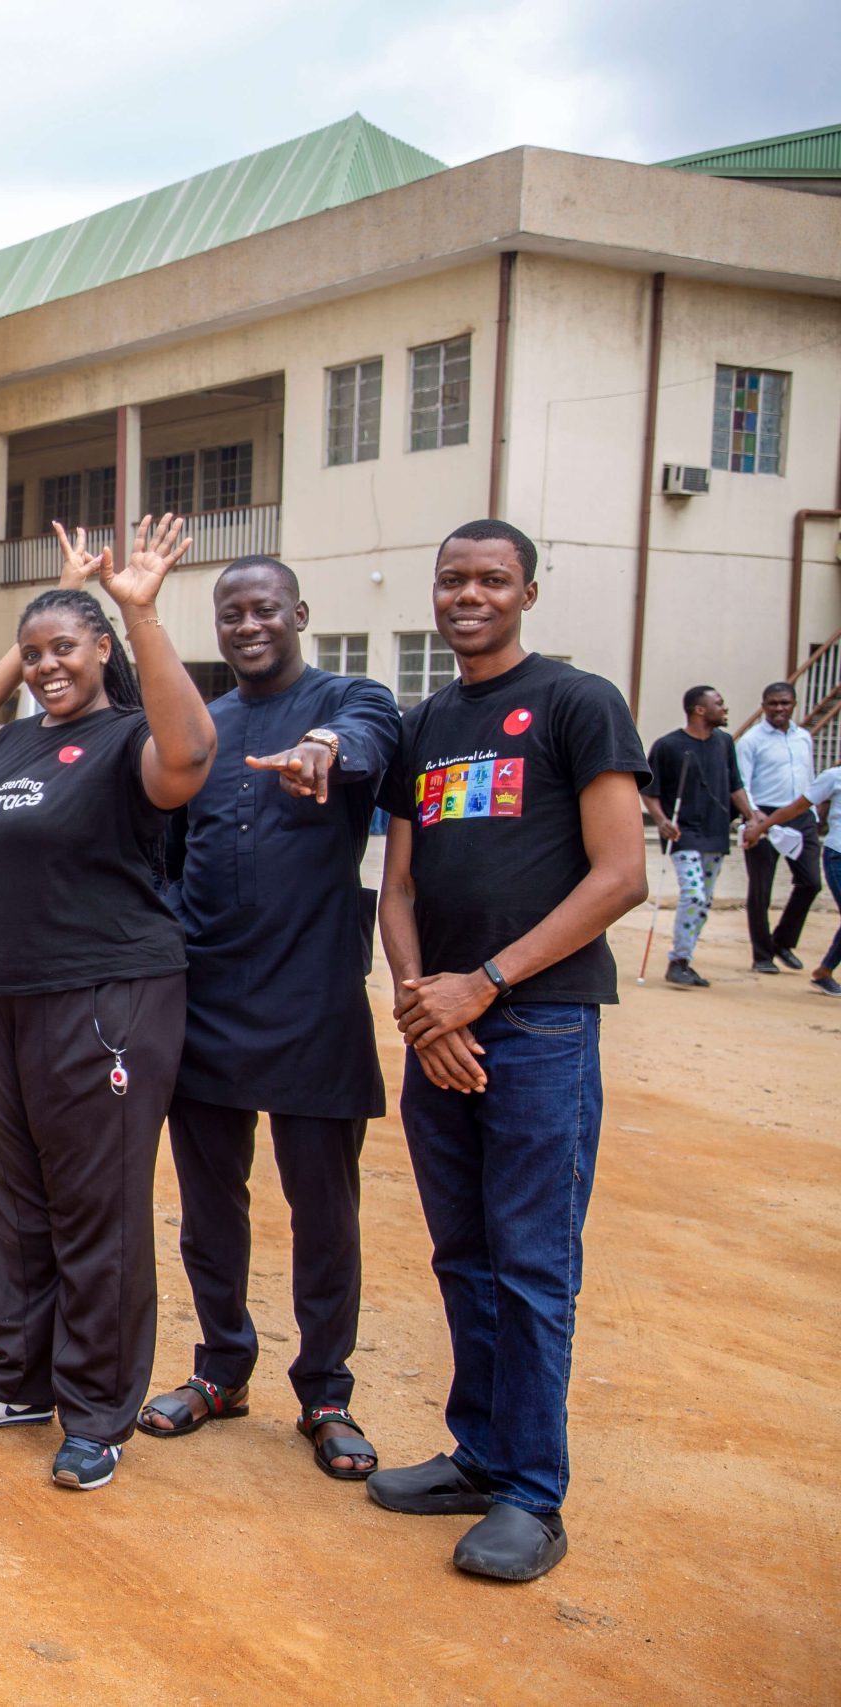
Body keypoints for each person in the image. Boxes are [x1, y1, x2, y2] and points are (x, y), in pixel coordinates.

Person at [371, 519, 648, 1583]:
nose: (467, 594)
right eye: (452, 579)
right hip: (439, 1025)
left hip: (538, 1026)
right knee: (462, 1256)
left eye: (491, 579)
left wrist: (483, 985)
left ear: (527, 592)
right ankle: (479, 1455)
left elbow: (619, 874)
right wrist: (421, 1003)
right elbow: (396, 885)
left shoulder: (577, 703)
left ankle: (534, 1495)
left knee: (532, 1266)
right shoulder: (423, 723)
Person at [0, 515, 216, 1491]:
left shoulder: (129, 737)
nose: (49, 665)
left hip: (106, 994)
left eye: (64, 648)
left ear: (101, 651)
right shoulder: (8, 746)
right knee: (13, 1208)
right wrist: (14, 662)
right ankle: (20, 1376)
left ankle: (95, 1409)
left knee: (94, 1208)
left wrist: (136, 616)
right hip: (0, 997)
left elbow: (192, 755)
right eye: (34, 649)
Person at [135, 555, 401, 1479]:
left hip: (312, 1002)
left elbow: (369, 733)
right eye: (231, 613)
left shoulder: (351, 698)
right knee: (211, 1207)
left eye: (264, 609)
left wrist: (329, 749)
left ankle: (325, 1390)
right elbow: (165, 850)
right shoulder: (205, 727)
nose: (248, 625)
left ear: (298, 612)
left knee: (324, 1209)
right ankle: (223, 1368)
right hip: (206, 1000)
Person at [641, 685, 756, 989]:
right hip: (683, 833)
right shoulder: (668, 746)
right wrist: (662, 821)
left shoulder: (724, 743)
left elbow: (735, 785)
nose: (725, 708)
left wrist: (752, 817)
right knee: (693, 893)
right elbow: (649, 791)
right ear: (699, 710)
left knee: (703, 901)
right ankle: (678, 959)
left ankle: (684, 960)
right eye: (719, 703)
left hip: (715, 833)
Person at [736, 683, 819, 973]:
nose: (779, 709)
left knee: (811, 882)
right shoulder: (751, 740)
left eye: (784, 703)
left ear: (794, 704)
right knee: (761, 888)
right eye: (772, 703)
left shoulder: (803, 737)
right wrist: (753, 817)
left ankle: (782, 941)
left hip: (800, 814)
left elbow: (807, 776)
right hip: (764, 816)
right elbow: (742, 782)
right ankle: (762, 955)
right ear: (764, 706)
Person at [744, 766, 841, 997]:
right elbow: (794, 809)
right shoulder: (833, 777)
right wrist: (760, 828)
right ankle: (823, 972)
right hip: (837, 856)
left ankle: (824, 971)